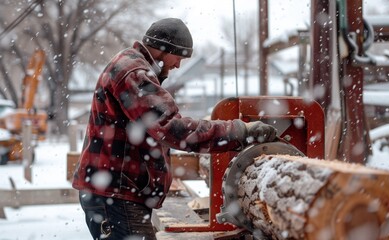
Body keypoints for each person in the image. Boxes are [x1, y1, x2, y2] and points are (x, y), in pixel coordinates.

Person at [72, 18, 277, 240]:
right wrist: (239, 131)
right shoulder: (133, 72)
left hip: (116, 192)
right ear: (164, 49)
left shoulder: (132, 66)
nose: (178, 65)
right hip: (116, 196)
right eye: (179, 57)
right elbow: (173, 129)